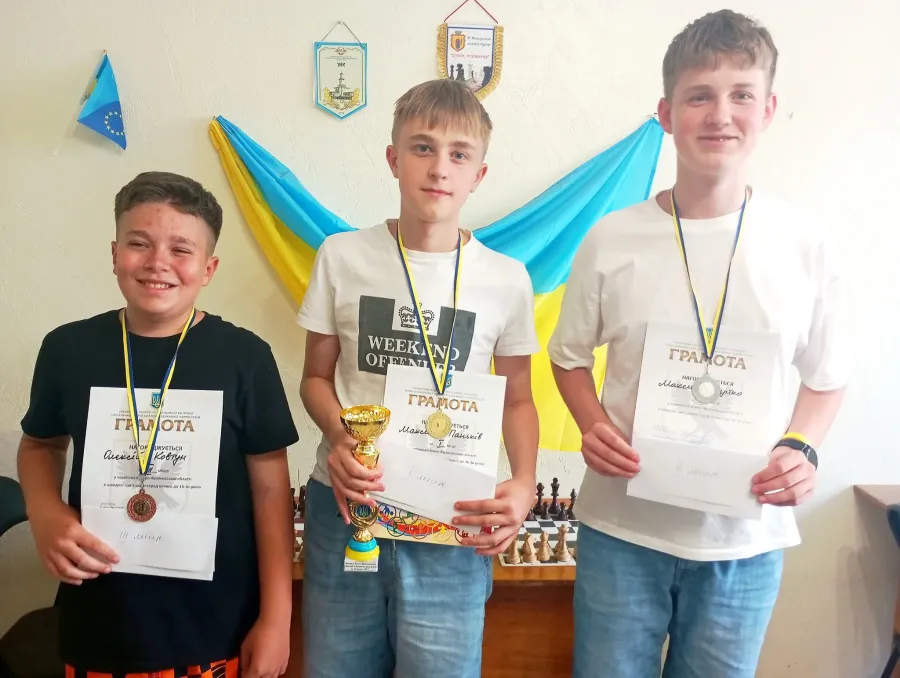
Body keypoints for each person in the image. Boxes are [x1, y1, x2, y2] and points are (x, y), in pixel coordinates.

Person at [548, 10, 848, 678]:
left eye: (741, 94)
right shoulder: (611, 238)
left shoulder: (804, 243)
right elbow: (568, 358)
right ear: (665, 112)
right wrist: (592, 424)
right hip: (622, 532)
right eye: (699, 96)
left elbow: (827, 376)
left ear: (768, 110)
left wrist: (802, 446)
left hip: (745, 542)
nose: (720, 114)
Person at [296, 78, 540, 677]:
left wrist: (525, 483)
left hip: (452, 519)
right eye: (422, 147)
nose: (439, 168)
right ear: (393, 158)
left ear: (480, 174)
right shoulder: (341, 256)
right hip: (349, 507)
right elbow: (314, 379)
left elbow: (518, 400)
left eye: (460, 154)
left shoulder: (506, 278)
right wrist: (343, 438)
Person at [17, 171, 298, 678]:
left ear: (209, 268)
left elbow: (271, 490)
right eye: (139, 243)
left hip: (215, 625)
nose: (157, 262)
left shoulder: (245, 358)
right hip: (101, 617)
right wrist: (43, 508)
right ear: (114, 253)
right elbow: (40, 444)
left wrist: (277, 619)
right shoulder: (67, 350)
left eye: (180, 249)